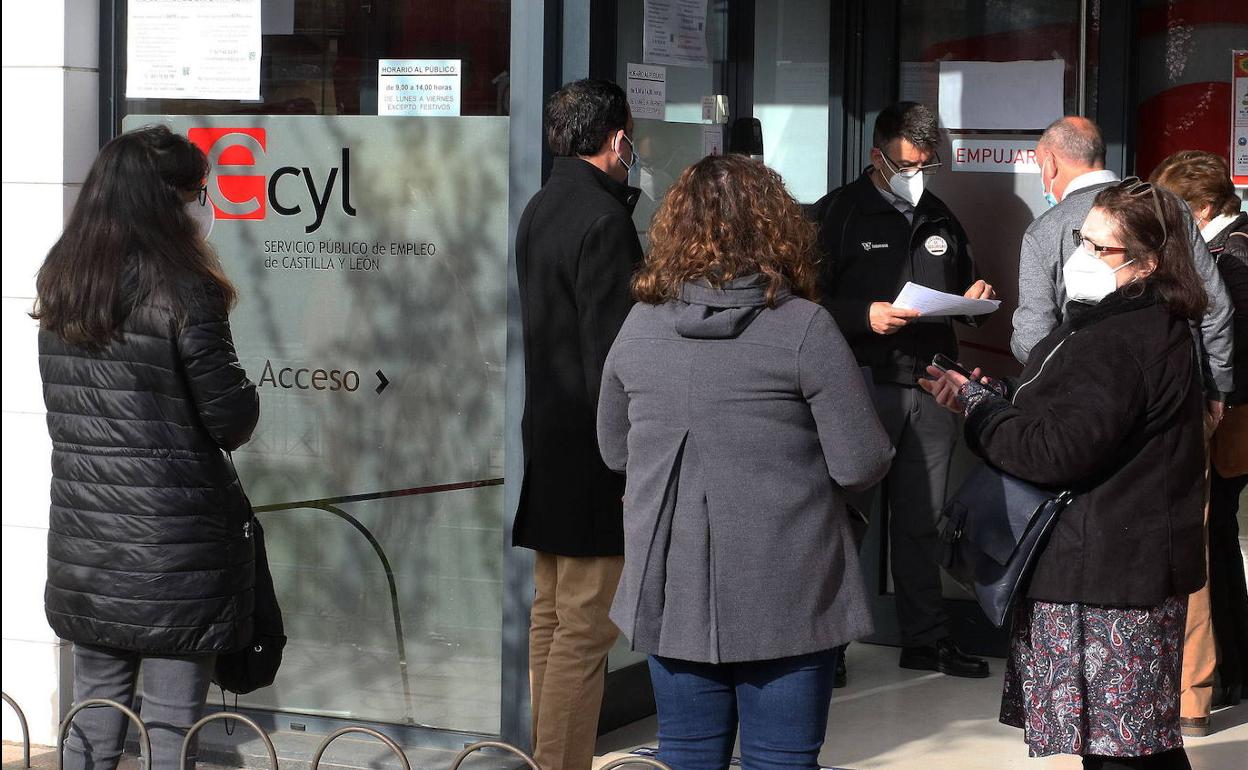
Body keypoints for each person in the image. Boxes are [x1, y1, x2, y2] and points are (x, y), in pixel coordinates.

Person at [597, 154, 894, 770]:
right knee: (782, 761)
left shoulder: (638, 326)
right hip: (789, 584)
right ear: (777, 228)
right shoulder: (804, 327)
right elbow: (860, 461)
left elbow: (613, 449)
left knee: (687, 757)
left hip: (674, 583)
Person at [922, 178, 1207, 770]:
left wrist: (981, 414)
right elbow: (1075, 418)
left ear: (1148, 260)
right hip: (1113, 569)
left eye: (1100, 247)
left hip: (1103, 579)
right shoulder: (1126, 322)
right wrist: (993, 397)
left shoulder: (1121, 337)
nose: (1081, 256)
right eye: (1081, 239)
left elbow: (1056, 451)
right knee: (1129, 749)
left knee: (1124, 755)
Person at [32, 125, 260, 770]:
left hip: (87, 545)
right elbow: (230, 419)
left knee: (93, 721)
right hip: (175, 552)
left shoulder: (64, 282)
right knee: (170, 728)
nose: (204, 206)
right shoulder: (186, 289)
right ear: (167, 203)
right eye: (196, 193)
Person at [807, 101, 995, 680]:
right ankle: (826, 647)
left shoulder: (940, 218)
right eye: (905, 165)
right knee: (844, 518)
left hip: (930, 384)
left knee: (923, 520)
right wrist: (865, 316)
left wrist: (977, 303)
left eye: (925, 166)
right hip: (858, 384)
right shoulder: (837, 214)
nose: (916, 176)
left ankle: (926, 639)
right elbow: (800, 305)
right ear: (876, 156)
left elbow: (963, 289)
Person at [511, 79, 643, 770]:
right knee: (584, 629)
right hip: (596, 450)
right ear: (616, 138)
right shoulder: (606, 221)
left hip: (551, 440)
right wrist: (627, 462)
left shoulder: (539, 207)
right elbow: (614, 356)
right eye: (630, 135)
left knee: (552, 616)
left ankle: (548, 756)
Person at [1011, 117, 1234, 410]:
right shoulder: (1169, 206)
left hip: (1083, 409)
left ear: (1050, 164)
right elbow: (1214, 304)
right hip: (1177, 400)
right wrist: (1216, 388)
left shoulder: (1045, 231)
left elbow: (1032, 342)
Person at [1152, 150, 1248, 721]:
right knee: (1221, 543)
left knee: (1212, 545)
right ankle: (1233, 669)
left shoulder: (1228, 257)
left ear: (1203, 208)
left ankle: (1227, 670)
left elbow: (1228, 340)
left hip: (1229, 415)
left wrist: (1216, 401)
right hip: (1235, 412)